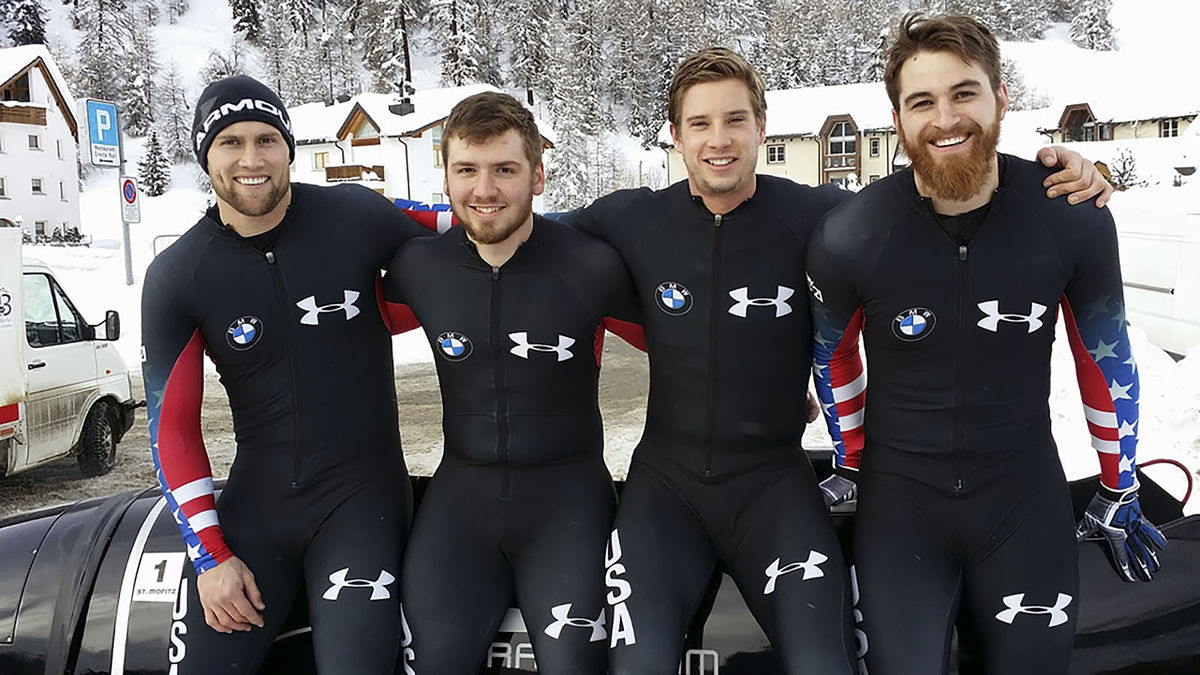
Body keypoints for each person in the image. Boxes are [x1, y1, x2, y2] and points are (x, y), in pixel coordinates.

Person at [560, 47, 1112, 673]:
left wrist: (1064, 170)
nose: (720, 140)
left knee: (826, 663)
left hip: (774, 486)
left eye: (736, 119)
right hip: (664, 490)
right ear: (674, 135)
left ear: (762, 127)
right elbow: (509, 226)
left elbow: (936, 184)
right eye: (700, 123)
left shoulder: (821, 216)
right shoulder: (630, 218)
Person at [807, 14, 1166, 674]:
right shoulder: (851, 233)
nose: (946, 118)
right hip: (900, 513)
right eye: (923, 101)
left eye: (964, 93)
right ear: (898, 117)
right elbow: (831, 354)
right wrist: (851, 460)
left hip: (1023, 504)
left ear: (1001, 98)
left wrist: (1120, 487)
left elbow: (1105, 357)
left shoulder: (1068, 214)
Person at [140, 75, 435, 673]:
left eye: (267, 140)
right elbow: (173, 429)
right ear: (205, 155)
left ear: (290, 147)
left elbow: (482, 223)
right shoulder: (178, 274)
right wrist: (210, 556)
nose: (251, 160)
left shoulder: (355, 214)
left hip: (363, 504)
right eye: (230, 143)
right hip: (259, 509)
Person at [383, 92, 642, 674]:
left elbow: (683, 339)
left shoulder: (590, 266)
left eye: (505, 169)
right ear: (445, 177)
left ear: (538, 175)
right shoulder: (420, 267)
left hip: (568, 505)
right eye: (467, 170)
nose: (485, 190)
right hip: (459, 507)